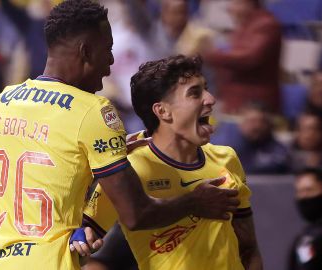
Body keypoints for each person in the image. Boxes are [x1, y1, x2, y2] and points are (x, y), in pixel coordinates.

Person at [0, 1, 240, 269]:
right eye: (108, 50)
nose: (112, 62)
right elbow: (136, 215)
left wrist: (116, 147)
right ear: (86, 51)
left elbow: (52, 159)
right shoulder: (94, 111)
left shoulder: (2, 102)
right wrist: (195, 201)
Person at [84, 55, 262, 270]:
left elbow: (249, 248)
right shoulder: (129, 170)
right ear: (162, 111)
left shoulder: (227, 158)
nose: (210, 99)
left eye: (205, 88)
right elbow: (83, 239)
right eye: (195, 93)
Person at [202, 0, 282, 114]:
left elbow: (248, 58)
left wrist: (209, 55)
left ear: (248, 3)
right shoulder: (244, 26)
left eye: (234, 3)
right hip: (232, 101)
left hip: (254, 105)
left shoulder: (266, 24)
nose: (229, 9)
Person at [212, 102, 289, 174]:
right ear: (241, 122)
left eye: (262, 122)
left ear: (269, 124)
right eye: (252, 121)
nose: (257, 126)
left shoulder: (277, 149)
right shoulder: (223, 146)